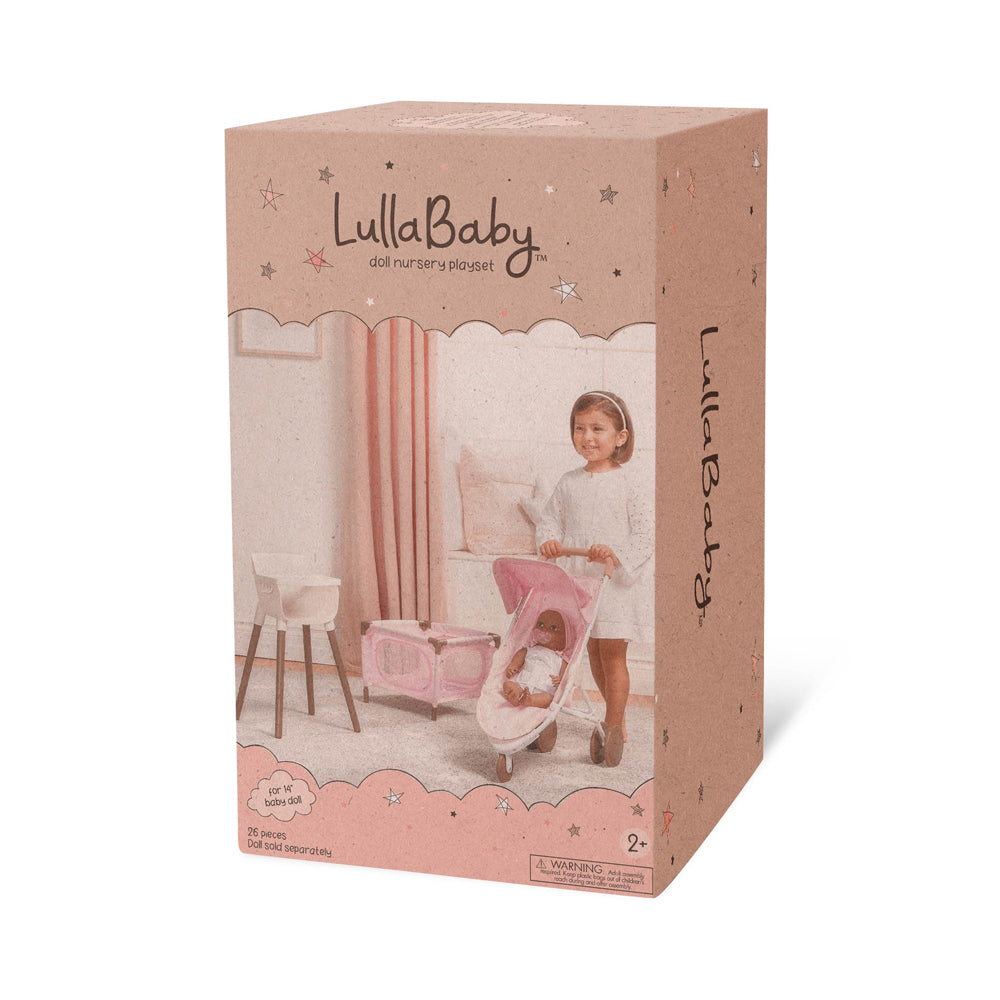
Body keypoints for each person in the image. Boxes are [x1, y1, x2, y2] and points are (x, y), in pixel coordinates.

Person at [536, 390, 653, 767]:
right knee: (590, 650)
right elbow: (550, 519)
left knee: (612, 652)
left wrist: (615, 553)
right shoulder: (568, 482)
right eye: (580, 428)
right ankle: (612, 715)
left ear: (620, 437)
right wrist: (548, 540)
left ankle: (614, 722)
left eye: (597, 429)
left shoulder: (628, 483)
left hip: (614, 582)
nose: (587, 437)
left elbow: (646, 533)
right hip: (579, 580)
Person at [502, 609, 569, 710]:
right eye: (541, 625)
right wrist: (513, 666)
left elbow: (566, 678)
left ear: (562, 637)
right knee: (507, 684)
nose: (544, 630)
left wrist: (560, 681)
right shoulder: (529, 650)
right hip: (523, 684)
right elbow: (518, 657)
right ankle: (515, 696)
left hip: (543, 689)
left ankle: (530, 700)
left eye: (553, 628)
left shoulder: (560, 660)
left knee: (549, 699)